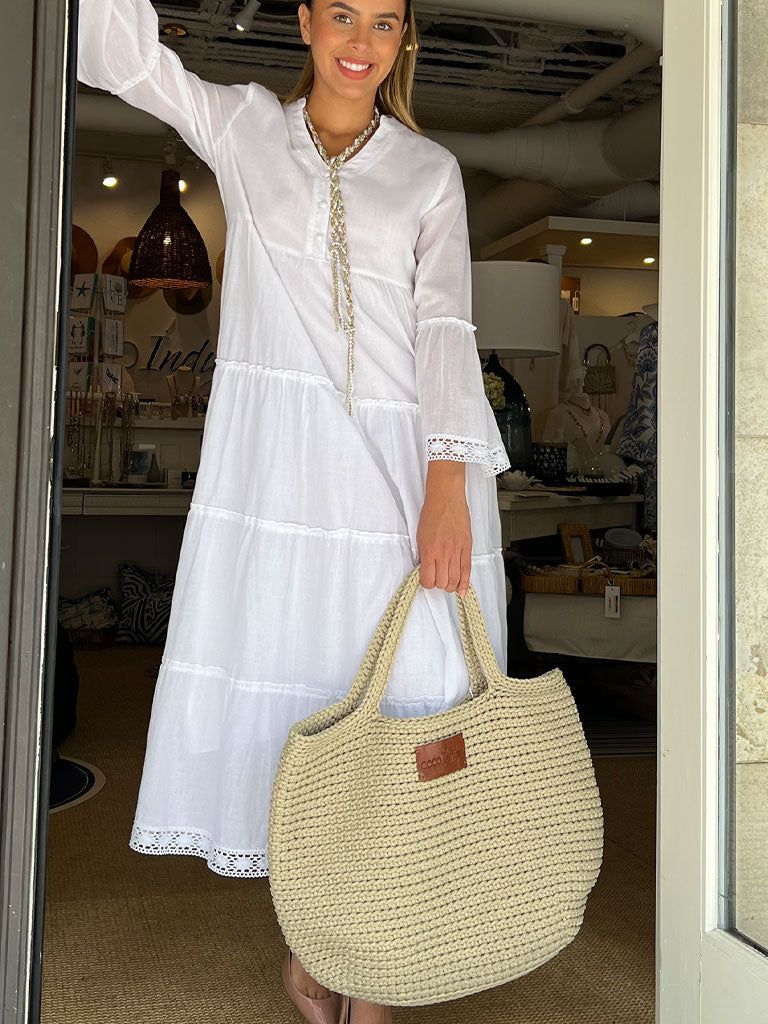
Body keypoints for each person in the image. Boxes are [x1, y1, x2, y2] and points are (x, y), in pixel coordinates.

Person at [77, 0, 510, 1021]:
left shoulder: (429, 171)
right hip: (282, 482)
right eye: (343, 16)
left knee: (412, 705)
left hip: (407, 477)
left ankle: (370, 966)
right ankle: (318, 947)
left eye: (386, 23)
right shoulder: (242, 127)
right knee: (300, 706)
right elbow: (120, 54)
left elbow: (445, 328)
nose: (362, 44)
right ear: (307, 21)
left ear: (403, 39)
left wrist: (449, 483)